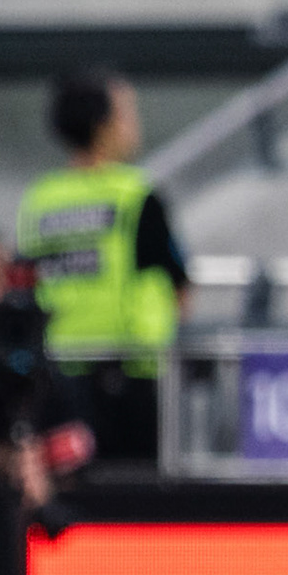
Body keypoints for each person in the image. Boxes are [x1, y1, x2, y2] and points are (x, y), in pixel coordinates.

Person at [16, 69, 188, 461]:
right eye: (127, 113)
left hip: (58, 372)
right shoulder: (136, 195)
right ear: (103, 124)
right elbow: (177, 283)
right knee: (134, 505)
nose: (134, 125)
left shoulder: (40, 199)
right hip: (132, 375)